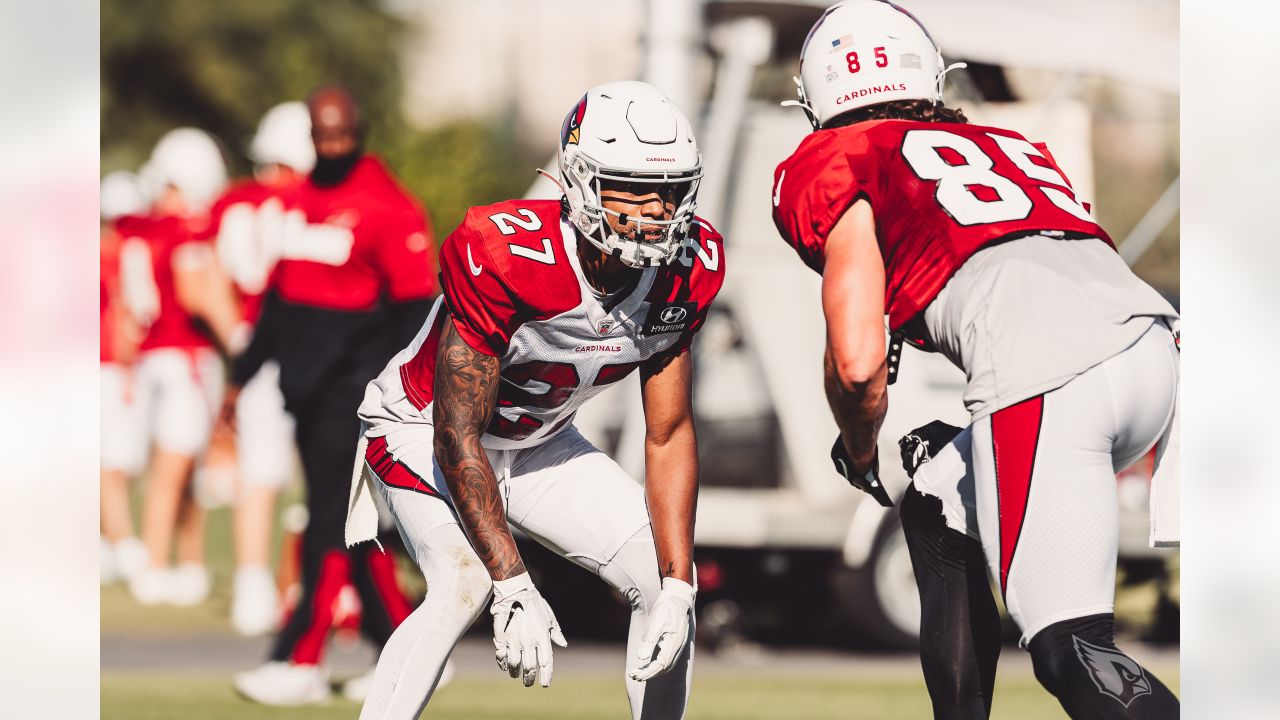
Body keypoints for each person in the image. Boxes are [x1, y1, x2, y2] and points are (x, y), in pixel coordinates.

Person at [772, 2, 1180, 718]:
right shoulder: (1004, 141)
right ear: (931, 72)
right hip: (1161, 349)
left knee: (1071, 650)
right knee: (936, 502)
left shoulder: (837, 157)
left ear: (816, 95)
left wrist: (860, 447)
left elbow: (860, 360)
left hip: (1052, 377)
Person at [344, 79, 723, 720]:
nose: (654, 212)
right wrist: (512, 582)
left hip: (539, 442)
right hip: (418, 427)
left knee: (663, 587)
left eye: (667, 192)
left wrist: (683, 585)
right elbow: (456, 433)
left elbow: (668, 432)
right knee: (462, 585)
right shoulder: (507, 253)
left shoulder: (687, 267)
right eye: (630, 189)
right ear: (578, 182)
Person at [230, 85, 435, 706]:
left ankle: (301, 658)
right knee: (346, 522)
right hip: (304, 389)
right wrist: (243, 374)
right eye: (325, 137)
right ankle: (404, 644)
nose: (336, 146)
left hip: (355, 392)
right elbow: (279, 301)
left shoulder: (390, 208)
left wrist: (393, 392)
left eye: (344, 135)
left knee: (325, 521)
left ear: (360, 131)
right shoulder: (298, 201)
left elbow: (411, 315)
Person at [206, 101, 315, 637]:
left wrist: (240, 342)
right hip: (311, 351)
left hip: (259, 352)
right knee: (318, 478)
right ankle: (297, 587)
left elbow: (209, 276)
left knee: (260, 474)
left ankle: (255, 588)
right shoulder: (312, 202)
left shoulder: (236, 205)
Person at [126, 128, 243, 606]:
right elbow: (197, 293)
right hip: (185, 358)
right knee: (174, 467)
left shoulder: (148, 227)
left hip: (159, 358)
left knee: (183, 467)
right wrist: (241, 340)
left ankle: (187, 561)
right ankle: (156, 563)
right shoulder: (189, 229)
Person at [100, 170, 151, 586]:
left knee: (119, 462)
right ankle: (125, 546)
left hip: (113, 370)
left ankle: (106, 545)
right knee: (111, 465)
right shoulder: (119, 254)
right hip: (108, 370)